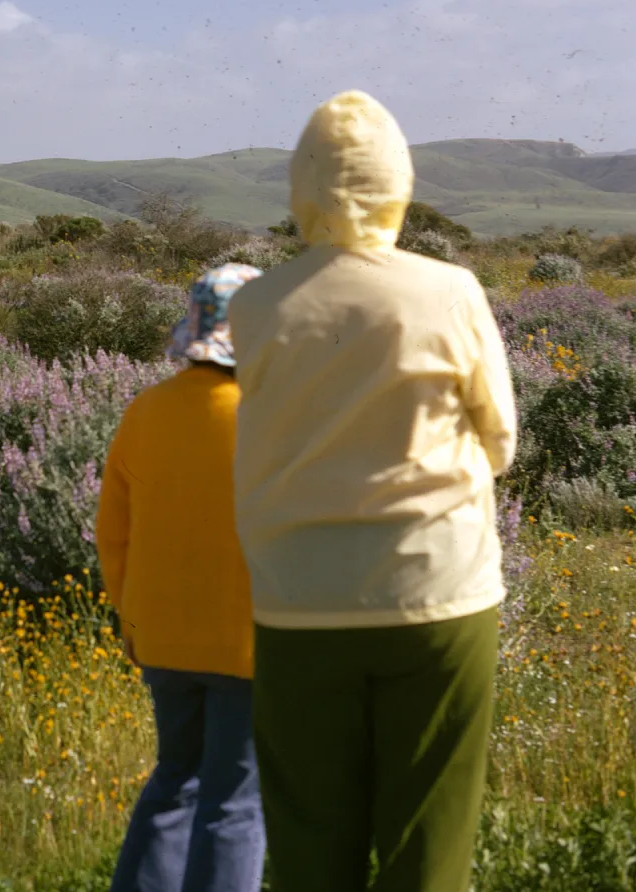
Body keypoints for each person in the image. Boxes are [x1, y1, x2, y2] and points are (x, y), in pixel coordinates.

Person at [226, 90, 517, 891]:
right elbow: (501, 441)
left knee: (312, 844)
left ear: (302, 188)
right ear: (400, 180)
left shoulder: (254, 305)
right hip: (438, 590)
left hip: (296, 601)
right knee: (430, 840)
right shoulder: (450, 290)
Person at [96, 262, 267, 892]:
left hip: (161, 637)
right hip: (249, 642)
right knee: (236, 803)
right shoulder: (270, 416)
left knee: (174, 782)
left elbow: (113, 532)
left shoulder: (147, 410)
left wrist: (131, 618)